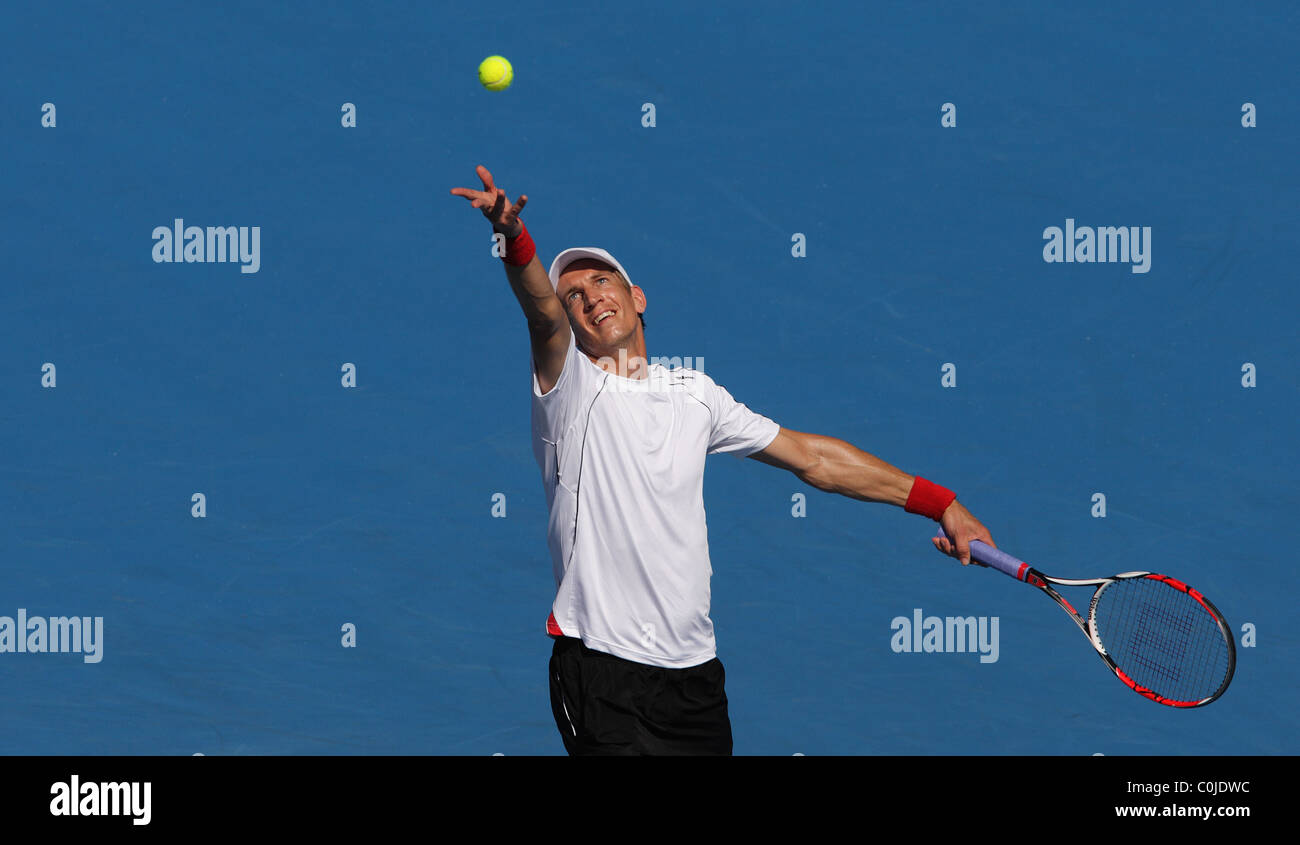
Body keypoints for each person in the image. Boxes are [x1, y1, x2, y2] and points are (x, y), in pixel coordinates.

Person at [451, 165, 996, 755]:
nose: (589, 299)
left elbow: (814, 458)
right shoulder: (569, 388)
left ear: (635, 297)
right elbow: (541, 313)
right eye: (574, 296)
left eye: (601, 282)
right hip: (600, 664)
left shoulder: (696, 394)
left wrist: (942, 504)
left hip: (694, 677)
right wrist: (513, 239)